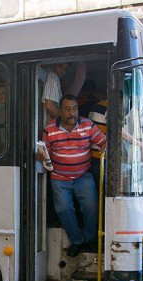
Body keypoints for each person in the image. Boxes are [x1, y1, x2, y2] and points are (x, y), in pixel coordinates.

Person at [38, 94, 106, 257]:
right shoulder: (50, 129)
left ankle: (89, 238)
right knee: (63, 209)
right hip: (59, 177)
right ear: (61, 111)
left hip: (83, 176)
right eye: (67, 109)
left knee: (91, 207)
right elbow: (44, 151)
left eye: (74, 109)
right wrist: (40, 156)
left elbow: (104, 142)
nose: (72, 113)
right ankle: (77, 240)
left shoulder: (88, 125)